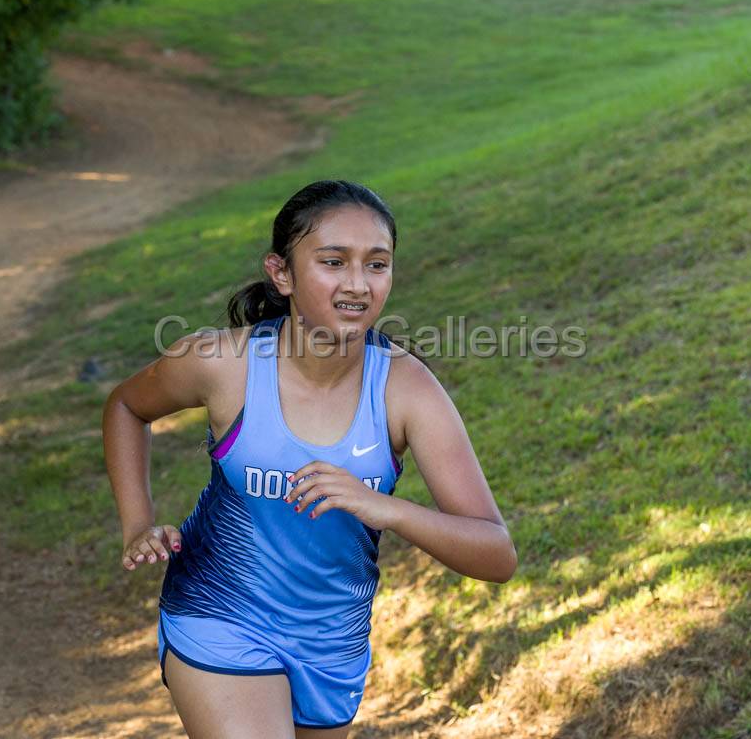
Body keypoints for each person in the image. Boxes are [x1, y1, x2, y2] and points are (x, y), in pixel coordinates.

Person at [102, 179, 517, 739]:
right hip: (219, 612)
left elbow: (496, 555)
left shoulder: (405, 388)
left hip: (331, 641)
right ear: (282, 273)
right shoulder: (224, 363)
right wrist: (137, 524)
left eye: (377, 264)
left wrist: (383, 508)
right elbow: (127, 406)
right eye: (332, 261)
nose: (357, 284)